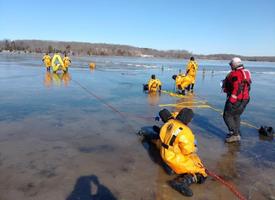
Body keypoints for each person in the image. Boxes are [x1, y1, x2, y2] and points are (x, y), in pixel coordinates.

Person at [139, 108, 207, 197]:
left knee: (156, 139)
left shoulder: (169, 123)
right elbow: (187, 151)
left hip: (163, 151)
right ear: (188, 120)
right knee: (202, 172)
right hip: (174, 158)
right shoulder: (186, 132)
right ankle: (181, 183)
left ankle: (146, 134)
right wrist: (194, 148)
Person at [222, 57, 251, 143]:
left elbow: (237, 87)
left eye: (231, 64)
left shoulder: (235, 74)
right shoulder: (247, 72)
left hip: (236, 99)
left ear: (234, 65)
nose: (230, 66)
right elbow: (248, 86)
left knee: (227, 115)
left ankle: (234, 134)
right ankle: (236, 132)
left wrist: (232, 99)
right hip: (245, 99)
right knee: (236, 115)